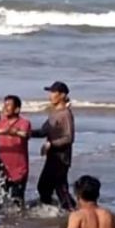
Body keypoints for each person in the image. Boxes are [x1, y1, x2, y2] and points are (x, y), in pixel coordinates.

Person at [32, 81, 76, 210]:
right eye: (50, 92)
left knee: (59, 188)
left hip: (62, 158)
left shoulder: (65, 114)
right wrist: (24, 133)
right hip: (53, 157)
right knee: (45, 187)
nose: (50, 96)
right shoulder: (54, 112)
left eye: (53, 92)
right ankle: (54, 210)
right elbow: (43, 132)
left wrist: (51, 144)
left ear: (62, 95)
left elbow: (69, 138)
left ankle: (71, 213)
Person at [0, 95, 32, 207]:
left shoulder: (24, 123)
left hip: (19, 170)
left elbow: (25, 134)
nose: (5, 107)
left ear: (17, 109)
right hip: (2, 168)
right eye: (4, 105)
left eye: (8, 105)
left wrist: (15, 132)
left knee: (17, 202)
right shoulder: (0, 123)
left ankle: (19, 222)